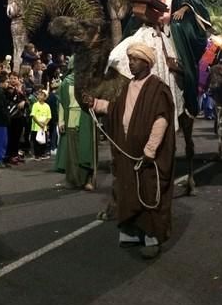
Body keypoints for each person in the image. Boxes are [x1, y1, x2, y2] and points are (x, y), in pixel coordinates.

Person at [85, 42, 176, 259]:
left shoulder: (158, 88)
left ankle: (152, 238)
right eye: (130, 59)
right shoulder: (127, 86)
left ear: (146, 63)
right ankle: (132, 233)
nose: (131, 63)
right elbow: (115, 109)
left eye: (134, 60)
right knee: (128, 190)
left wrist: (150, 151)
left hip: (145, 156)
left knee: (148, 192)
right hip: (127, 151)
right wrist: (95, 103)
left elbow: (161, 120)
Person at [152, 0, 211, 119]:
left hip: (178, 21)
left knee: (178, 27)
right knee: (136, 23)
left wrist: (184, 8)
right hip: (158, 19)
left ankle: (185, 67)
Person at [55, 57, 94, 190]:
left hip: (86, 117)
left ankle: (88, 179)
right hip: (71, 117)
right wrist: (61, 120)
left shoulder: (88, 81)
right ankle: (73, 180)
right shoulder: (66, 82)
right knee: (72, 151)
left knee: (86, 148)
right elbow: (61, 101)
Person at [30, 88, 51, 161]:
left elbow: (49, 116)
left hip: (43, 128)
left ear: (45, 97)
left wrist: (45, 124)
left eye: (42, 95)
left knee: (43, 141)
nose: (39, 96)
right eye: (39, 95)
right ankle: (36, 155)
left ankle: (42, 154)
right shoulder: (35, 105)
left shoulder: (47, 106)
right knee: (36, 142)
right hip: (35, 127)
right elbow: (33, 116)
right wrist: (39, 124)